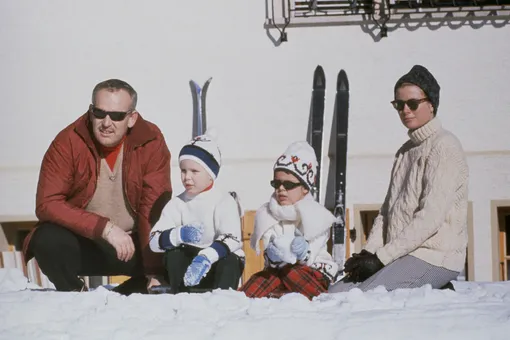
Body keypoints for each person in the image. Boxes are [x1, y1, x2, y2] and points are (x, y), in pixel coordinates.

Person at [22, 79, 172, 293]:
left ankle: (131, 292)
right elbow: (47, 203)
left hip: (135, 245)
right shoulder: (68, 141)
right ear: (91, 111)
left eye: (117, 116)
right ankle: (76, 293)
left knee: (179, 246)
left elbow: (153, 208)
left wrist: (155, 270)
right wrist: (104, 228)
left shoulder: (151, 140)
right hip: (87, 242)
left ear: (131, 118)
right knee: (46, 239)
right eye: (100, 113)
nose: (106, 122)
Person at [329, 65, 469, 293]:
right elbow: (387, 212)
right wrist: (370, 252)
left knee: (363, 297)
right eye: (399, 104)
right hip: (400, 255)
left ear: (431, 104)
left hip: (434, 255)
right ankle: (434, 289)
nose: (406, 110)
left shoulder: (444, 146)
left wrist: (381, 258)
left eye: (413, 103)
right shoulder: (405, 151)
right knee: (335, 294)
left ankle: (438, 287)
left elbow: (430, 219)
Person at [148, 130, 244, 294]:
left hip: (216, 259)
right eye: (183, 171)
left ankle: (223, 296)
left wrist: (206, 257)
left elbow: (233, 238)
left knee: (231, 259)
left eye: (194, 171)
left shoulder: (223, 200)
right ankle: (183, 293)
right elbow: (154, 240)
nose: (187, 177)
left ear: (210, 174)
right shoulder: (178, 203)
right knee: (174, 255)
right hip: (189, 265)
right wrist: (178, 235)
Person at [240, 141, 338, 300]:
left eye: (288, 184)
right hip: (279, 270)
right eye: (276, 183)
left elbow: (314, 249)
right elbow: (268, 251)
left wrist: (303, 251)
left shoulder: (317, 215)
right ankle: (240, 299)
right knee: (261, 278)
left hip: (312, 270)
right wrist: (272, 255)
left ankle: (319, 298)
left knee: (293, 273)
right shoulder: (267, 214)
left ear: (305, 188)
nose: (281, 189)